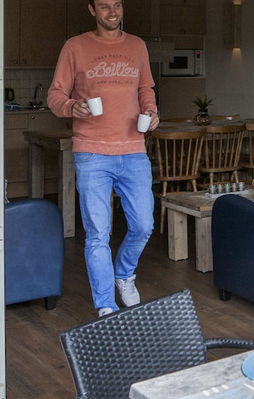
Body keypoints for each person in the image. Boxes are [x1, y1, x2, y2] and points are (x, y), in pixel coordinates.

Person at [47, 0, 160, 317]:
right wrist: (72, 107)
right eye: (105, 6)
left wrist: (151, 112)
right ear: (91, 9)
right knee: (98, 233)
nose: (113, 12)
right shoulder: (75, 47)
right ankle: (106, 306)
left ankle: (124, 274)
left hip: (133, 150)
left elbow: (146, 88)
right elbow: (55, 95)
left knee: (143, 225)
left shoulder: (137, 46)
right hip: (92, 151)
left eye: (118, 5)